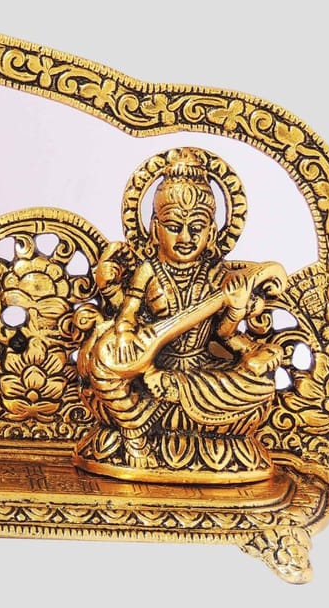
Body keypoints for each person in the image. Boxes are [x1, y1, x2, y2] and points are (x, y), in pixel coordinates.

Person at [75, 147, 284, 481]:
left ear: (212, 231)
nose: (186, 237)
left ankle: (148, 423)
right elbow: (128, 314)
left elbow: (224, 335)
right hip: (150, 373)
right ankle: (137, 431)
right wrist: (125, 331)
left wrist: (236, 309)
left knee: (260, 391)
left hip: (199, 373)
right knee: (100, 383)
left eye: (197, 227)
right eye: (174, 226)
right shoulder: (148, 270)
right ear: (155, 228)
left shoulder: (216, 276)